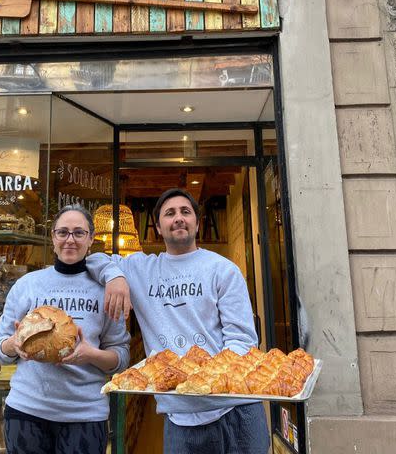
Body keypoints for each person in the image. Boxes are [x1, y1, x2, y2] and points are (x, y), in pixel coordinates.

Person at [86, 188, 271, 454]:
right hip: (180, 417)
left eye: (186, 212)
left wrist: (204, 380)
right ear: (158, 227)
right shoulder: (141, 269)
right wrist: (114, 276)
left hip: (236, 409)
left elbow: (242, 340)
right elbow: (94, 259)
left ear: (197, 222)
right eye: (169, 213)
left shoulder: (222, 269)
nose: (179, 218)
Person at [0, 204, 130, 454]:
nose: (70, 240)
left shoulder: (106, 290)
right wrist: (13, 344)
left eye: (79, 233)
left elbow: (120, 358)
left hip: (85, 415)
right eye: (62, 232)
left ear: (91, 240)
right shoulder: (27, 285)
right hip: (27, 411)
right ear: (53, 238)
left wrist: (92, 355)